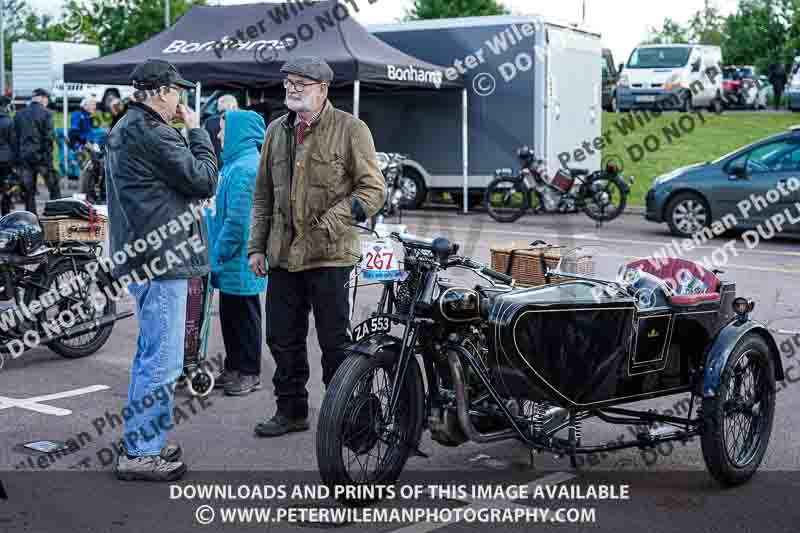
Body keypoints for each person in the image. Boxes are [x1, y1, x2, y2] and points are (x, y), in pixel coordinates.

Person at [247, 57, 385, 437]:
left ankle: (352, 420)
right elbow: (262, 195)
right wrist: (256, 246)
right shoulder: (276, 131)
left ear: (323, 89)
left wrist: (329, 223)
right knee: (282, 339)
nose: (291, 89)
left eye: (301, 83)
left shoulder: (351, 129)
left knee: (335, 344)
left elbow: (373, 190)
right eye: (288, 83)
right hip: (282, 256)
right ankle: (291, 411)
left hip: (330, 256)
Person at [105, 59, 217, 481]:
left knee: (151, 355)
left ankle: (142, 439)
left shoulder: (126, 127)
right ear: (159, 92)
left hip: (143, 256)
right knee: (162, 362)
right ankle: (141, 451)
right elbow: (204, 180)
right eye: (176, 91)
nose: (179, 100)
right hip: (161, 259)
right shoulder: (154, 132)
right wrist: (197, 132)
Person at [206, 110, 268, 396]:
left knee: (245, 318)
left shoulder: (245, 168)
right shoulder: (235, 164)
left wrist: (218, 253)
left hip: (240, 259)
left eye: (223, 130)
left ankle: (249, 372)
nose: (219, 136)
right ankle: (234, 367)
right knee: (231, 317)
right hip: (233, 260)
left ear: (238, 133)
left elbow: (238, 222)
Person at [13, 88, 60, 212]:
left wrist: (17, 159)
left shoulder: (19, 114)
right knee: (54, 188)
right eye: (47, 99)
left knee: (29, 192)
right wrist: (48, 159)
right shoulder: (47, 113)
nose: (47, 102)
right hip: (41, 157)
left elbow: (15, 138)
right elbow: (49, 138)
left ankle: (31, 219)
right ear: (43, 98)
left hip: (24, 157)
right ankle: (55, 214)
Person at [203, 94, 238, 170]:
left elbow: (206, 145)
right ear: (234, 106)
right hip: (234, 164)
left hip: (215, 164)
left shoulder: (210, 122)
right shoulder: (240, 122)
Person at [0, 96, 16, 215]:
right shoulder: (9, 121)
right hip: (5, 159)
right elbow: (13, 142)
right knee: (6, 188)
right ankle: (5, 215)